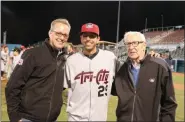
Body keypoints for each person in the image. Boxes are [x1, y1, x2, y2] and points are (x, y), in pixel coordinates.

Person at [63, 23, 160, 121]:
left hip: (99, 118)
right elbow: (60, 87)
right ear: (81, 38)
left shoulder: (109, 58)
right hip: (75, 118)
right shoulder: (71, 61)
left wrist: (147, 57)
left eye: (92, 36)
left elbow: (130, 68)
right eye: (85, 36)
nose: (88, 39)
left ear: (98, 39)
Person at [5, 18, 71, 122]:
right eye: (58, 33)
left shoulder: (64, 58)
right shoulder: (32, 54)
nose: (62, 37)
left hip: (52, 119)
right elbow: (12, 86)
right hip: (28, 118)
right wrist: (15, 118)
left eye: (65, 35)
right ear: (50, 33)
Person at [111, 31, 177, 121]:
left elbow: (169, 104)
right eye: (128, 44)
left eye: (135, 43)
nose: (131, 47)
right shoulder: (122, 69)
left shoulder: (160, 66)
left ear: (144, 45)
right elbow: (113, 90)